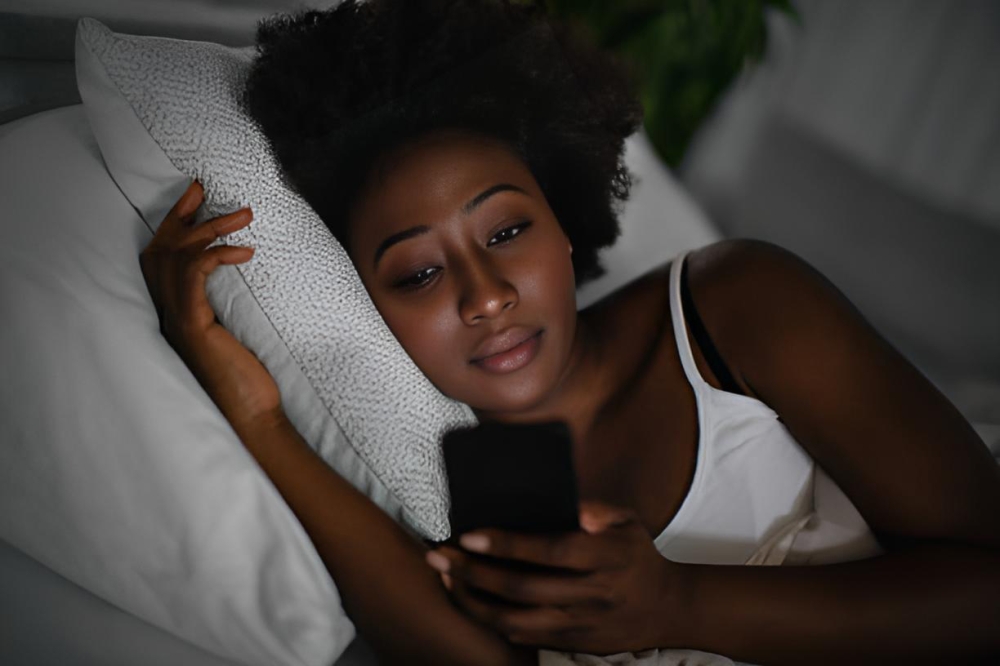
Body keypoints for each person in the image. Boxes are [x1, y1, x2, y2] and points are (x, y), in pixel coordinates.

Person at [138, 1, 1000, 664]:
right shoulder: (454, 475)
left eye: (507, 231)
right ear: (364, 301)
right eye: (419, 273)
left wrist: (678, 605)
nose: (485, 297)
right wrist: (258, 422)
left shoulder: (738, 306)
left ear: (562, 217)